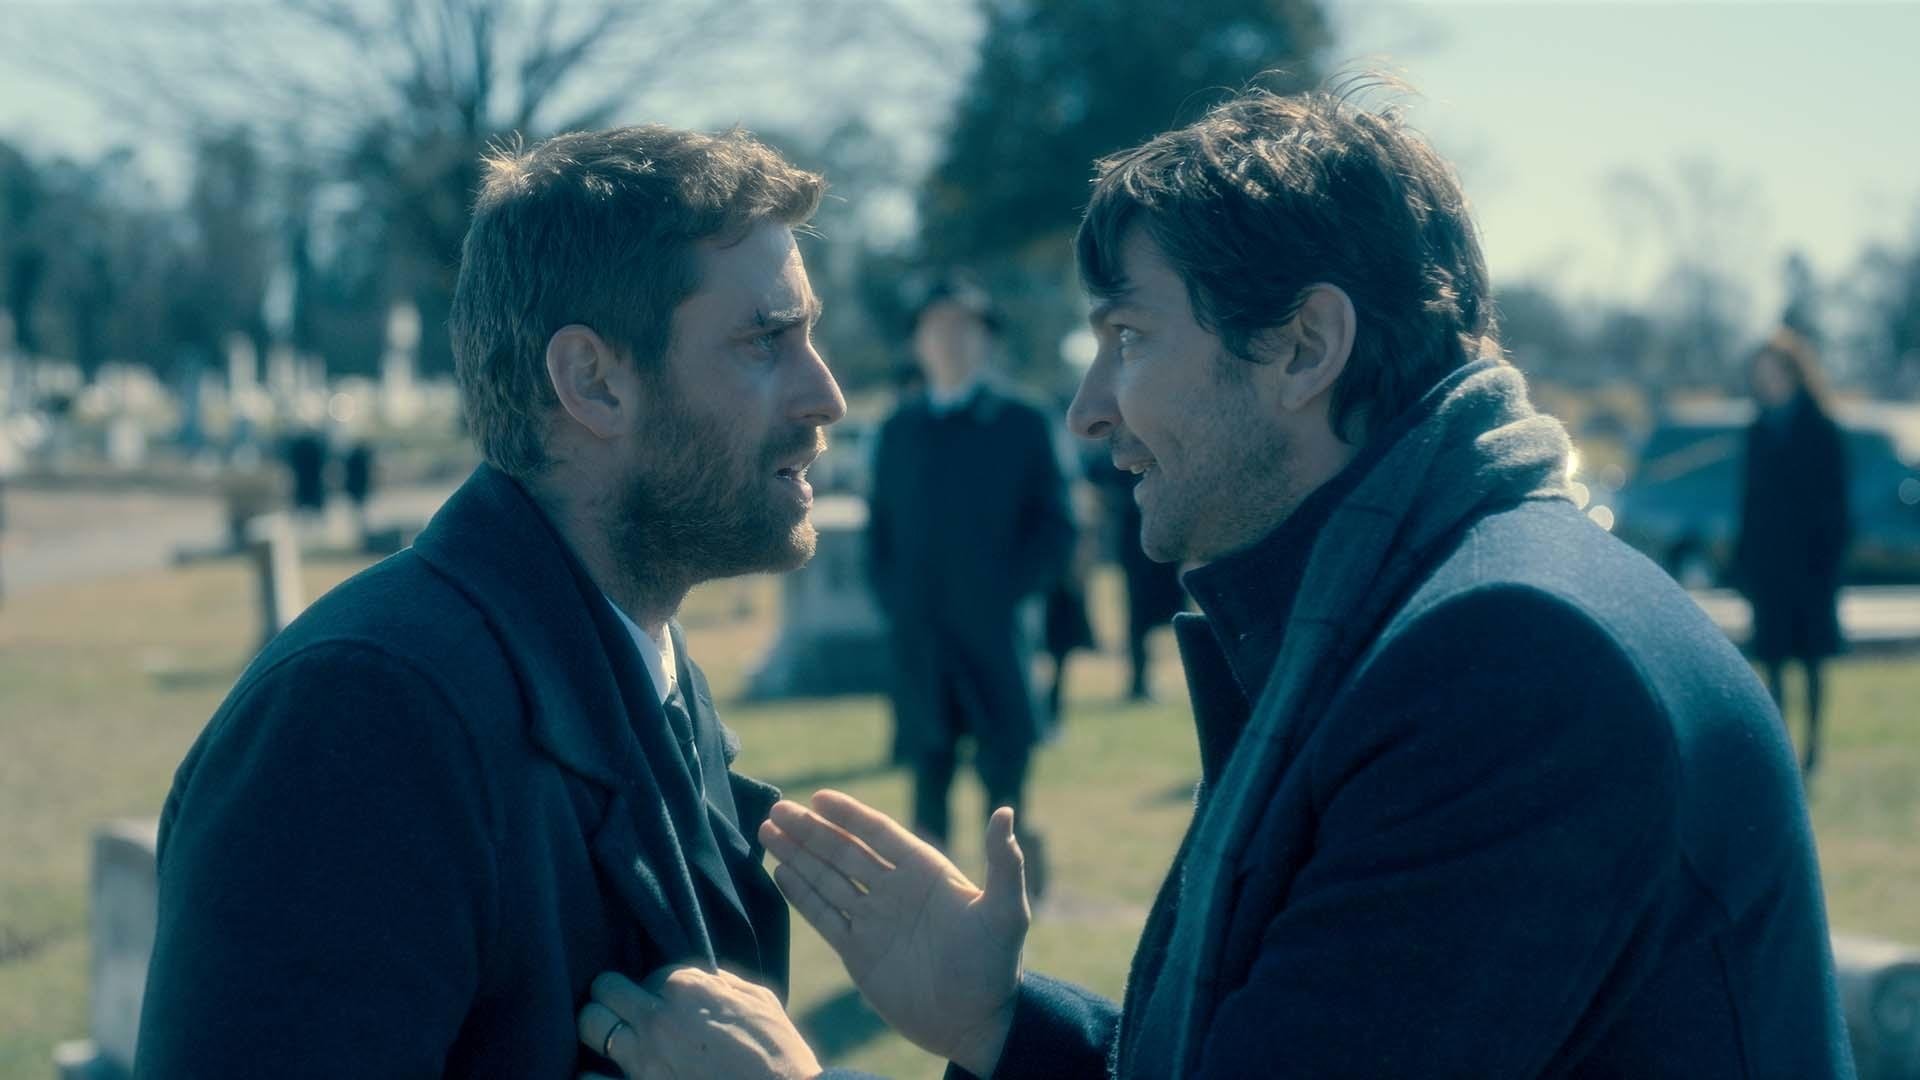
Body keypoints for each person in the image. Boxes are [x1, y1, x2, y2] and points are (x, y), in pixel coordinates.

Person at [585, 85, 1853, 1078]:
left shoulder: (1510, 668)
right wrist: (1000, 1026)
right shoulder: (1425, 614)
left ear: (1303, 347)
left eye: (1129, 337)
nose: (1090, 410)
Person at [137, 124, 845, 1077]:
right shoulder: (364, 717)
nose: (825, 394)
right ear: (593, 382)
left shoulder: (634, 655)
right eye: (765, 340)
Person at [864, 274, 1075, 857]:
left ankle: (1009, 889)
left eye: (965, 326)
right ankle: (930, 894)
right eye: (936, 328)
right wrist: (896, 601)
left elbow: (1057, 525)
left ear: (987, 338)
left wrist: (1006, 592)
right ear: (916, 342)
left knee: (1005, 782)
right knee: (927, 780)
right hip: (921, 636)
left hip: (996, 632)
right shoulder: (898, 429)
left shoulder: (1022, 420)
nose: (950, 340)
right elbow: (879, 530)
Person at [1733, 327, 1851, 779]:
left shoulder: (1821, 429)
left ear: (1794, 374)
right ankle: (1781, 749)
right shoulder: (1758, 430)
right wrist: (1745, 562)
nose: (1767, 383)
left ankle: (1813, 749)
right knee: (1774, 661)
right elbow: (1748, 502)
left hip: (1811, 567)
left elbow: (1837, 505)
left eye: (1773, 373)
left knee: (1812, 661)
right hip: (1770, 567)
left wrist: (1828, 563)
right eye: (1760, 375)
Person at [1084, 450, 1185, 701]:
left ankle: (1144, 679)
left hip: (1164, 540)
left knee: (1160, 612)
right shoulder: (1118, 455)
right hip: (1134, 543)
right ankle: (1138, 680)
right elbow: (1095, 478)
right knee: (1138, 617)